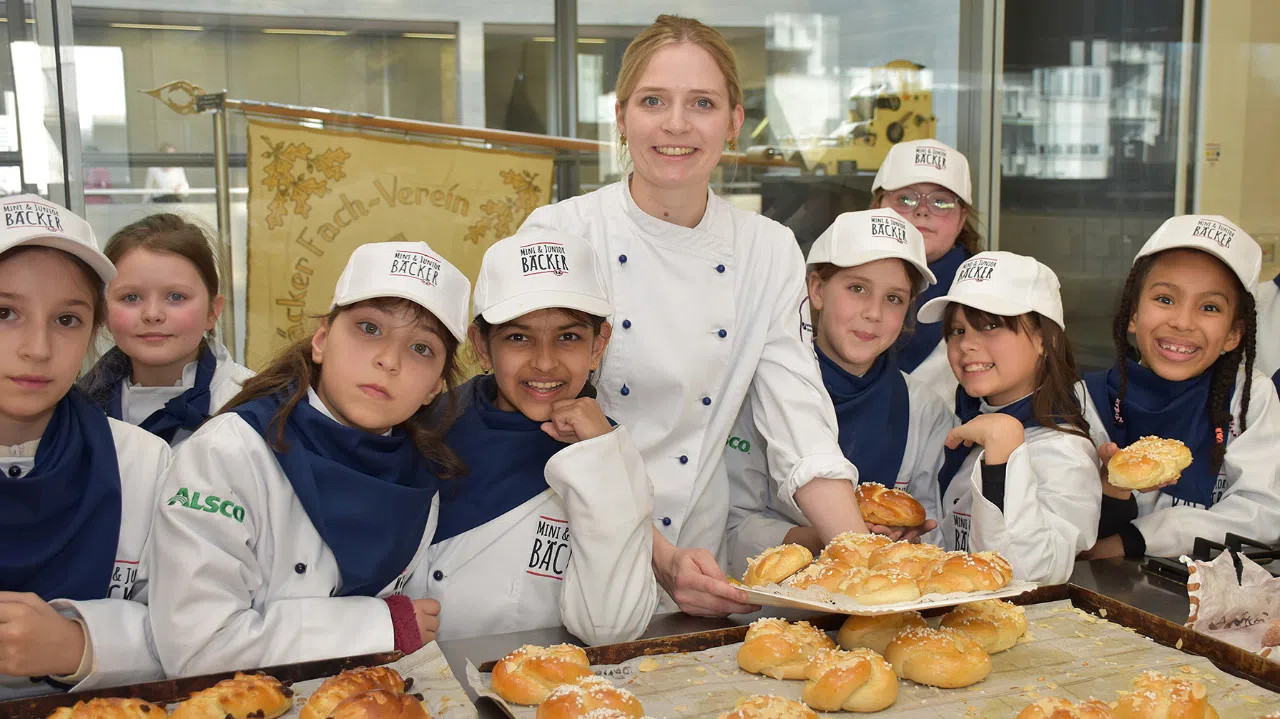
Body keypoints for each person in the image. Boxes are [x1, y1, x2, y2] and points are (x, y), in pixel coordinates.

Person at [519, 14, 867, 617]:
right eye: (654, 101)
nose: (676, 124)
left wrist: (862, 560)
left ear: (733, 122)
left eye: (701, 103)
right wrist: (657, 555)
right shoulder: (563, 234)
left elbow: (800, 421)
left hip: (701, 563)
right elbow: (536, 421)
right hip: (575, 545)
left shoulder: (767, 248)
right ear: (622, 117)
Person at [147, 241, 469, 677]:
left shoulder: (422, 475)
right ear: (321, 339)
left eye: (421, 349)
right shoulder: (229, 453)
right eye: (370, 328)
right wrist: (379, 625)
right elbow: (199, 647)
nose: (388, 360)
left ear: (435, 387)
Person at [414, 229, 657, 645]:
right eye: (518, 338)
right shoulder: (423, 424)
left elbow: (612, 628)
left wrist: (602, 460)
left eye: (568, 337)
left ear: (598, 346)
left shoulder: (608, 454)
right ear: (482, 347)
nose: (545, 363)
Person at [0, 195, 170, 698]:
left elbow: (191, 627)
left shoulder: (143, 463)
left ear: (94, 332)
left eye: (67, 320)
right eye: (4, 311)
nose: (37, 348)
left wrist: (81, 644)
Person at [725, 209, 953, 576]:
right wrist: (824, 537)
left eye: (894, 298)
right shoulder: (757, 393)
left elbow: (931, 526)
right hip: (776, 609)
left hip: (882, 604)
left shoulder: (924, 408)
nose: (873, 313)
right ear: (816, 290)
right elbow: (732, 529)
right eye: (857, 288)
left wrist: (908, 539)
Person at [1080, 215, 1280, 560]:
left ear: (1234, 334)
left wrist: (1140, 538)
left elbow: (1261, 516)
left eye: (1209, 307)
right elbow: (1071, 527)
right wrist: (1111, 488)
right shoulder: (1087, 401)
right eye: (1165, 299)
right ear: (1133, 314)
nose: (1183, 322)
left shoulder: (1250, 399)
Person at [923, 251, 1101, 585]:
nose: (967, 345)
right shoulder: (966, 419)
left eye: (990, 326)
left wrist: (1003, 452)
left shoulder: (1065, 453)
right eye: (957, 330)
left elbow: (1030, 576)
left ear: (1044, 339)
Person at [80, 214, 253, 446]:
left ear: (212, 311)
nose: (152, 314)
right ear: (104, 312)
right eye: (131, 297)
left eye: (176, 297)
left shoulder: (255, 409)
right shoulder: (75, 411)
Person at [871, 139, 984, 406]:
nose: (922, 210)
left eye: (941, 202)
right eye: (905, 198)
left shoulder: (988, 298)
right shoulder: (834, 282)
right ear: (876, 207)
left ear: (962, 218)